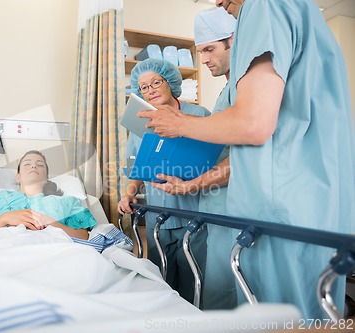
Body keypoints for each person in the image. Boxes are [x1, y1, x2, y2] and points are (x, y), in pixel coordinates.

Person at [138, 0, 355, 319]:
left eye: (210, 49)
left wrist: (180, 125)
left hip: (279, 208)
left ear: (235, 41)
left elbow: (253, 126)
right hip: (300, 204)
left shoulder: (265, 6)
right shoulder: (299, 19)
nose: (217, 3)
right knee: (300, 311)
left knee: (279, 315)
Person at [154, 7, 237, 310]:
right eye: (200, 51)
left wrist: (191, 185)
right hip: (219, 210)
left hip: (235, 210)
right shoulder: (228, 92)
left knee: (226, 296)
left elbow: (241, 159)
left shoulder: (246, 88)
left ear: (233, 40)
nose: (202, 59)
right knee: (217, 293)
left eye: (209, 49)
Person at [117, 58, 210, 303]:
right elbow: (135, 165)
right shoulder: (140, 120)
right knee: (162, 280)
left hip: (195, 212)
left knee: (194, 281)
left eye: (156, 82)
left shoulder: (199, 114)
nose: (151, 90)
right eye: (144, 87)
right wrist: (128, 193)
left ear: (170, 82)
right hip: (158, 215)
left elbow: (214, 160)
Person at [0, 150, 97, 240]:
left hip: (52, 254)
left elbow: (84, 237)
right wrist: (4, 219)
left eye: (40, 164)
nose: (34, 165)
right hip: (1, 253)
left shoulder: (66, 202)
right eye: (27, 164)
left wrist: (53, 223)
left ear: (47, 176)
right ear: (18, 176)